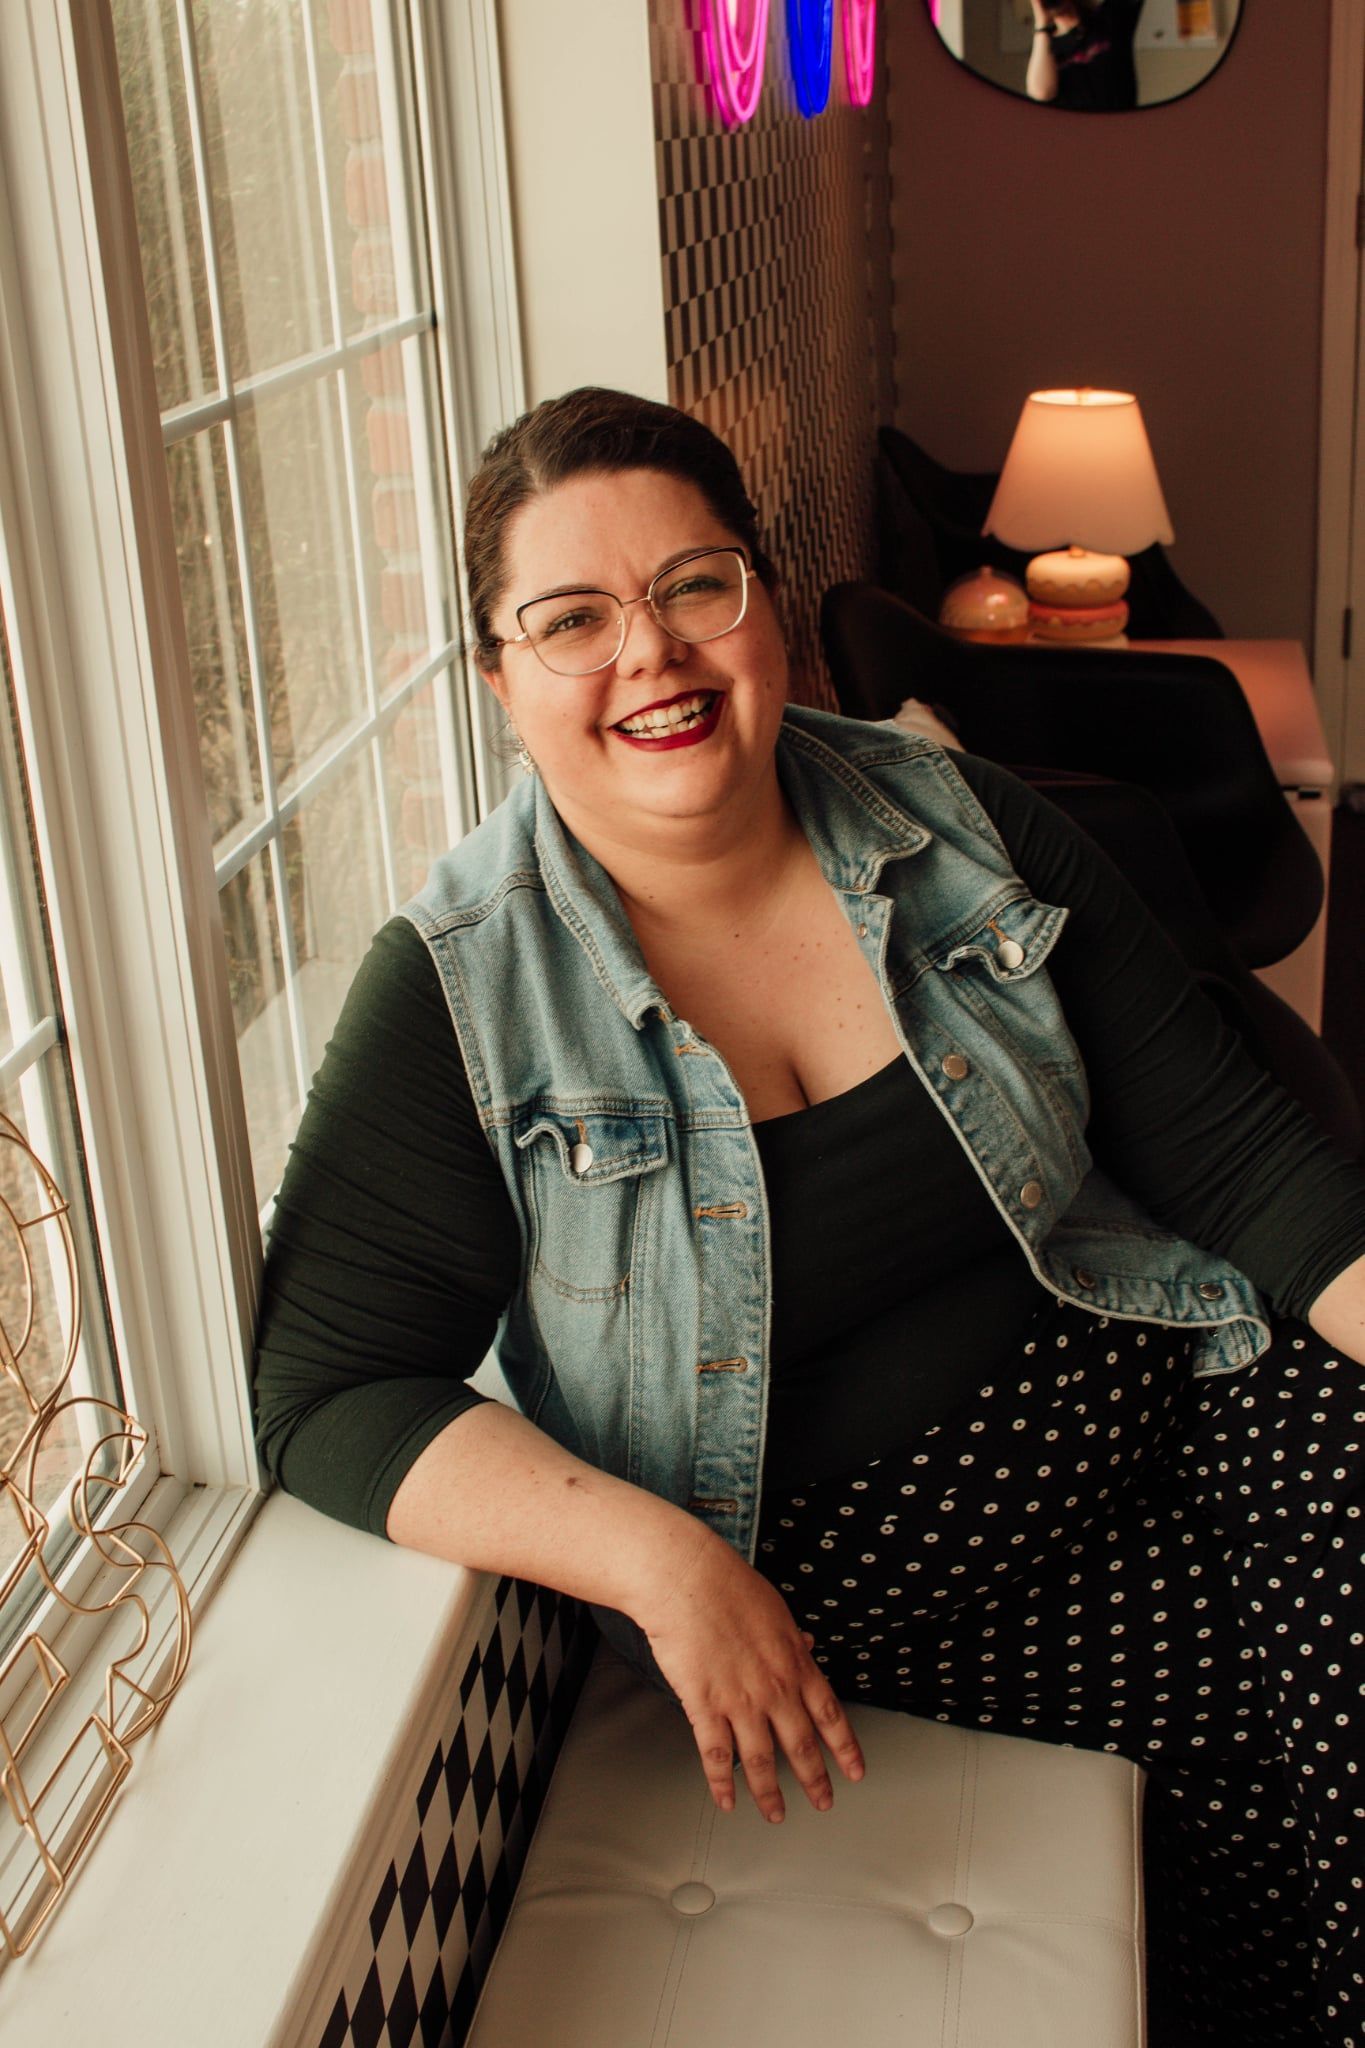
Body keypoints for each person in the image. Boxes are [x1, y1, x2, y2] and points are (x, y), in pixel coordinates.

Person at [255, 387, 1365, 2047]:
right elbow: (328, 1391)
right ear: (499, 678)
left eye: (694, 584)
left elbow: (1232, 1157)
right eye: (570, 620)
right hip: (883, 1566)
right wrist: (660, 1558)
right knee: (1304, 1693)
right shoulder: (460, 995)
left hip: (1159, 1373)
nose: (651, 654)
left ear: (764, 601)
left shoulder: (959, 822)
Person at [1027, 0, 1145, 111]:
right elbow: (1041, 94)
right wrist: (1042, 25)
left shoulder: (1110, 18)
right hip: (1076, 131)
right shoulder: (1044, 48)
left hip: (1121, 126)